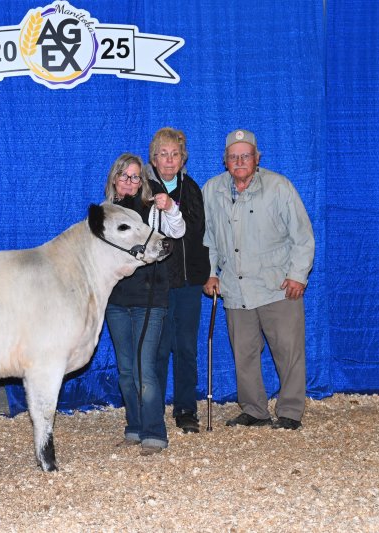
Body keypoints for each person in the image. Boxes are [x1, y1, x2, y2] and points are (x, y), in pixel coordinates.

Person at [202, 130, 314, 430]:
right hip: (235, 288)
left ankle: (290, 411)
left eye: (246, 156)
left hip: (277, 287)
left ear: (257, 158)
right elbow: (208, 238)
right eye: (233, 156)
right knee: (244, 354)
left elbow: (302, 236)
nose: (239, 161)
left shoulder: (279, 187)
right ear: (225, 161)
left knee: (288, 352)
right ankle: (254, 410)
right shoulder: (211, 190)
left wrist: (297, 275)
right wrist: (210, 272)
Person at [104, 153, 185, 455]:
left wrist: (171, 208)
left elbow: (177, 231)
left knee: (144, 368)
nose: (129, 181)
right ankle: (135, 427)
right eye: (124, 175)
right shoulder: (105, 214)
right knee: (126, 370)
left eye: (135, 177)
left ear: (142, 182)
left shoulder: (152, 211)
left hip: (150, 298)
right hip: (116, 300)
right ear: (115, 179)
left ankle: (155, 433)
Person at [146, 127, 210, 434]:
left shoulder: (192, 189)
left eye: (175, 154)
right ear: (154, 159)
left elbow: (198, 230)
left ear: (183, 159)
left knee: (186, 347)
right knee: (158, 349)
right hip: (157, 284)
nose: (169, 160)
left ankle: (186, 409)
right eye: (163, 154)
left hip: (188, 283)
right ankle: (153, 409)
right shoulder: (144, 190)